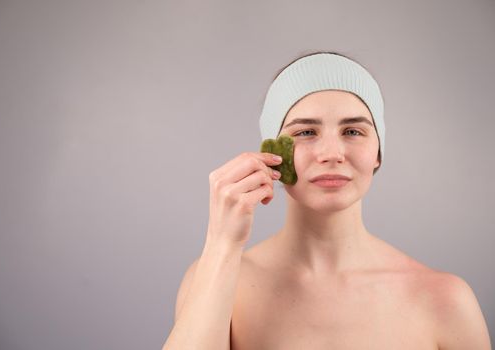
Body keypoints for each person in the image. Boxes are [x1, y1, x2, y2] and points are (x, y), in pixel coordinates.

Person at [162, 51, 491, 349]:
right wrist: (221, 244)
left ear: (378, 152)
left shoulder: (446, 300)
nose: (332, 154)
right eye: (305, 132)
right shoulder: (216, 279)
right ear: (272, 153)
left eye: (353, 131)